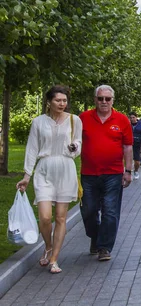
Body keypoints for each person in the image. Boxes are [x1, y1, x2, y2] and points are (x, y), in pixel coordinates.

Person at [16, 86, 82, 274]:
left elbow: (79, 144)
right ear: (49, 102)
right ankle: (47, 245)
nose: (62, 103)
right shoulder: (38, 122)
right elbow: (32, 148)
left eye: (64, 100)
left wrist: (73, 147)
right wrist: (27, 175)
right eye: (58, 100)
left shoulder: (74, 120)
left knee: (61, 217)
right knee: (45, 217)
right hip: (44, 169)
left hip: (65, 168)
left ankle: (54, 260)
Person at [80, 85, 133, 262]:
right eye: (100, 98)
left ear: (112, 101)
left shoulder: (122, 120)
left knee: (110, 212)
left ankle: (104, 247)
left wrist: (128, 170)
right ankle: (95, 237)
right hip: (89, 173)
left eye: (107, 99)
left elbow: (128, 147)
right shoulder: (84, 118)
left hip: (113, 174)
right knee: (88, 210)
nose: (104, 102)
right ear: (95, 99)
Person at [129, 111, 141, 180]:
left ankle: (136, 171)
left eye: (133, 117)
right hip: (128, 144)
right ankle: (127, 172)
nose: (132, 119)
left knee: (137, 161)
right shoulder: (127, 125)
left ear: (136, 117)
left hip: (137, 145)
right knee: (127, 159)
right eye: (130, 118)